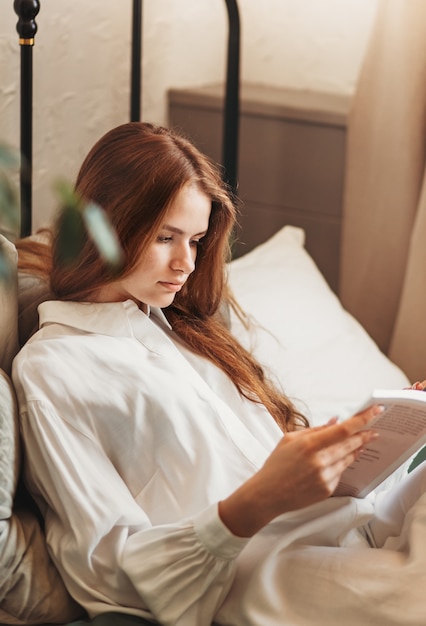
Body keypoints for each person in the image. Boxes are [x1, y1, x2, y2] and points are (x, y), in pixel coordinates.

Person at [12, 122, 426, 626]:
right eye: (166, 237)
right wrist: (253, 505)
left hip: (351, 523)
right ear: (106, 223)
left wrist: (369, 423)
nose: (186, 263)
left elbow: (263, 456)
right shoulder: (54, 369)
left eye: (197, 240)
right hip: (267, 572)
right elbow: (105, 573)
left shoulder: (186, 331)